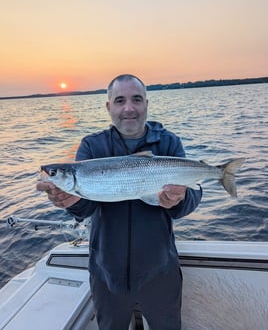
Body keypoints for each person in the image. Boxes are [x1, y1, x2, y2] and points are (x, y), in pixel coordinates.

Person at [37, 74, 202, 330]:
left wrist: (179, 201)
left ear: (146, 104)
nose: (129, 108)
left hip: (160, 269)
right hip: (106, 272)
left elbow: (193, 194)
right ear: (108, 107)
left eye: (136, 100)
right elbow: (86, 207)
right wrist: (71, 201)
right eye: (120, 100)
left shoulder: (169, 143)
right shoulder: (92, 147)